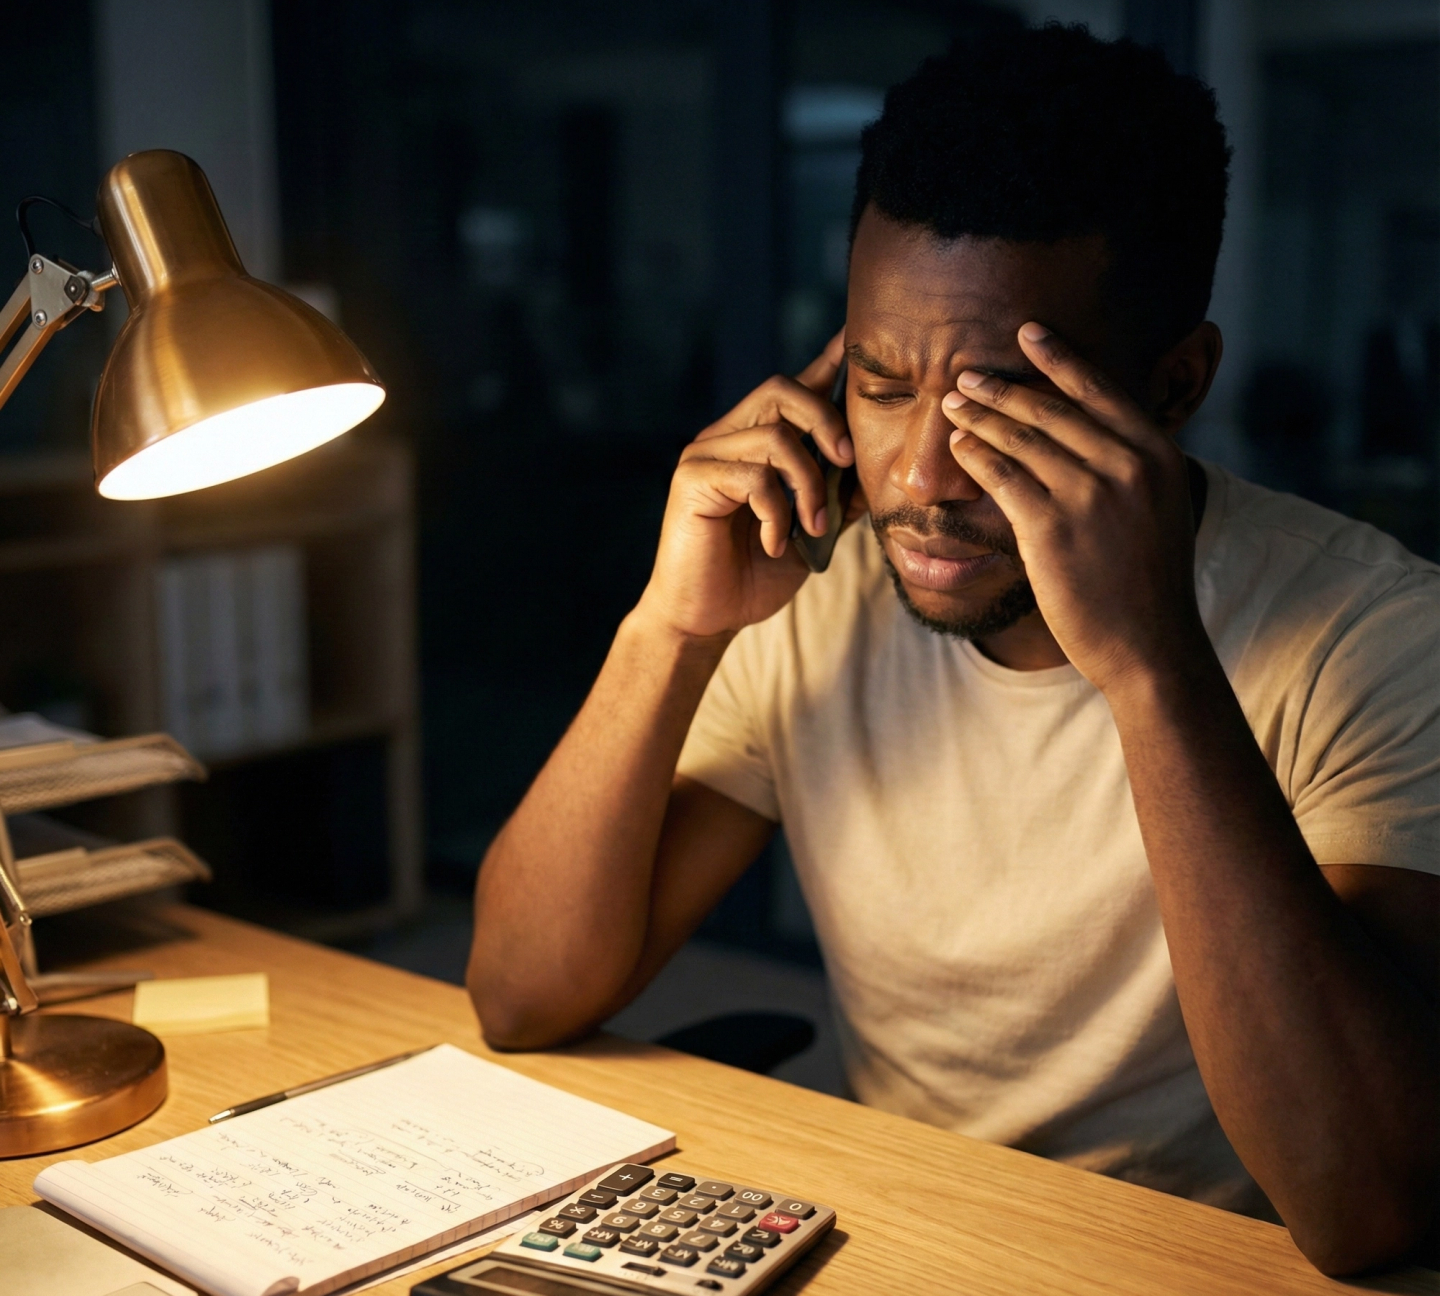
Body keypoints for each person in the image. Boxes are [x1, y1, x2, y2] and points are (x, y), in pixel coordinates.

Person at [466, 25, 1439, 1275]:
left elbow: (1372, 1205)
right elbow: (523, 991)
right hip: (910, 1234)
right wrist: (670, 627)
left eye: (1002, 410)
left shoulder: (1376, 631)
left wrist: (1151, 666)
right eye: (878, 384)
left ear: (1176, 384)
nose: (922, 480)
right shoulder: (811, 589)